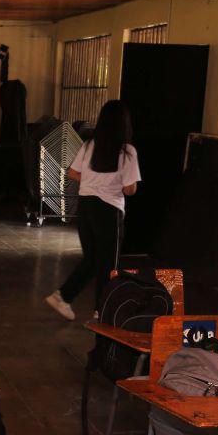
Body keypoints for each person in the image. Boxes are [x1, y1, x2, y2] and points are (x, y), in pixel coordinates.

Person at [45, 100, 140, 321]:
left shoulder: (89, 144)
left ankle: (63, 296)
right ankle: (102, 311)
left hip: (86, 207)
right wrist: (114, 183)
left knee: (92, 259)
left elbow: (73, 173)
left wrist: (94, 180)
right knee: (109, 263)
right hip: (108, 210)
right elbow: (129, 189)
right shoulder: (127, 151)